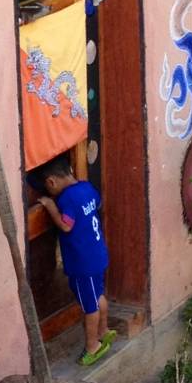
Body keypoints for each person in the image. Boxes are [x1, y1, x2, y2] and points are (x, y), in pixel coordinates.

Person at [34, 154, 116, 366]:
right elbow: (98, 203)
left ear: (51, 182)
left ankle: (92, 346)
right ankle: (104, 331)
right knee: (98, 296)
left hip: (83, 263)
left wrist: (50, 205)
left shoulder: (67, 199)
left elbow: (66, 225)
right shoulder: (86, 187)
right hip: (97, 254)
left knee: (89, 306)